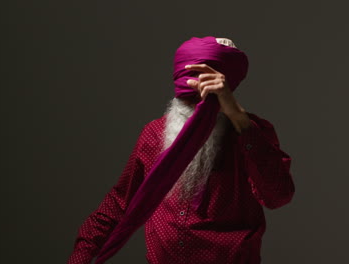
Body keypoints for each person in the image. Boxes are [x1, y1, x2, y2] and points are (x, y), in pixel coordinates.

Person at [67, 36, 295, 264]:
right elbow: (119, 202)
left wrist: (238, 117)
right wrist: (81, 255)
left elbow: (278, 195)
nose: (195, 97)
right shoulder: (154, 133)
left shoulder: (252, 133)